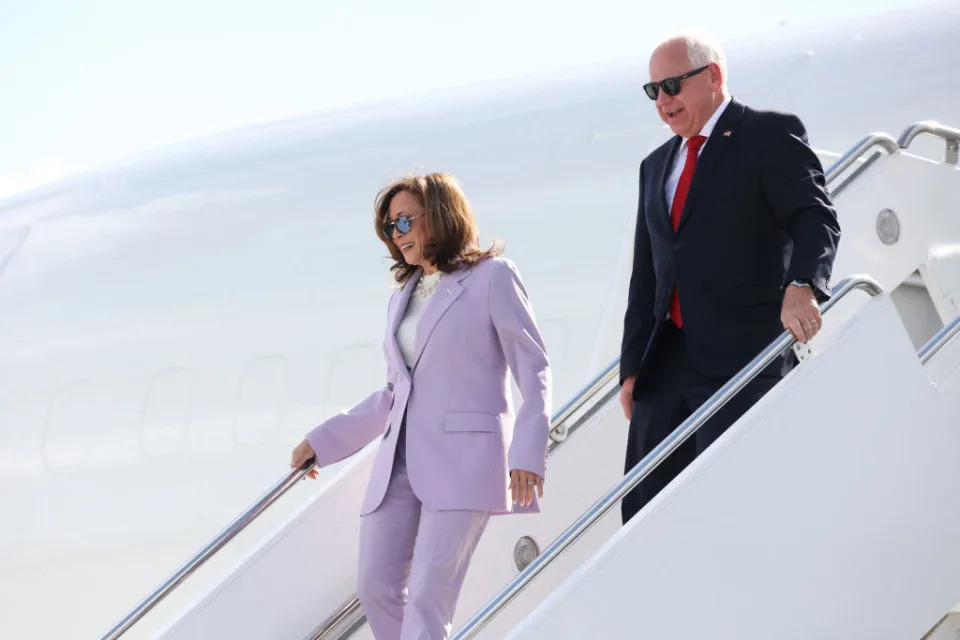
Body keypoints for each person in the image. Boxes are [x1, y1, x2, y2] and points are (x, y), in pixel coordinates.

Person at [289, 172, 551, 640]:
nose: (398, 235)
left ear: (441, 215)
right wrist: (324, 441)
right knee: (375, 588)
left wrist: (528, 453)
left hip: (465, 463)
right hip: (400, 464)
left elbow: (533, 367)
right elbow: (394, 394)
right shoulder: (401, 298)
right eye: (391, 227)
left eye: (405, 221)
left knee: (428, 602)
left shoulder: (493, 277)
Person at [619, 33, 841, 524]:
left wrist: (802, 286)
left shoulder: (767, 134)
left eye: (673, 85)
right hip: (665, 366)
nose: (664, 100)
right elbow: (647, 274)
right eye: (653, 90)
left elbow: (815, 216)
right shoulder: (654, 166)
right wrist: (632, 367)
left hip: (741, 355)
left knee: (732, 501)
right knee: (644, 512)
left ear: (714, 77)